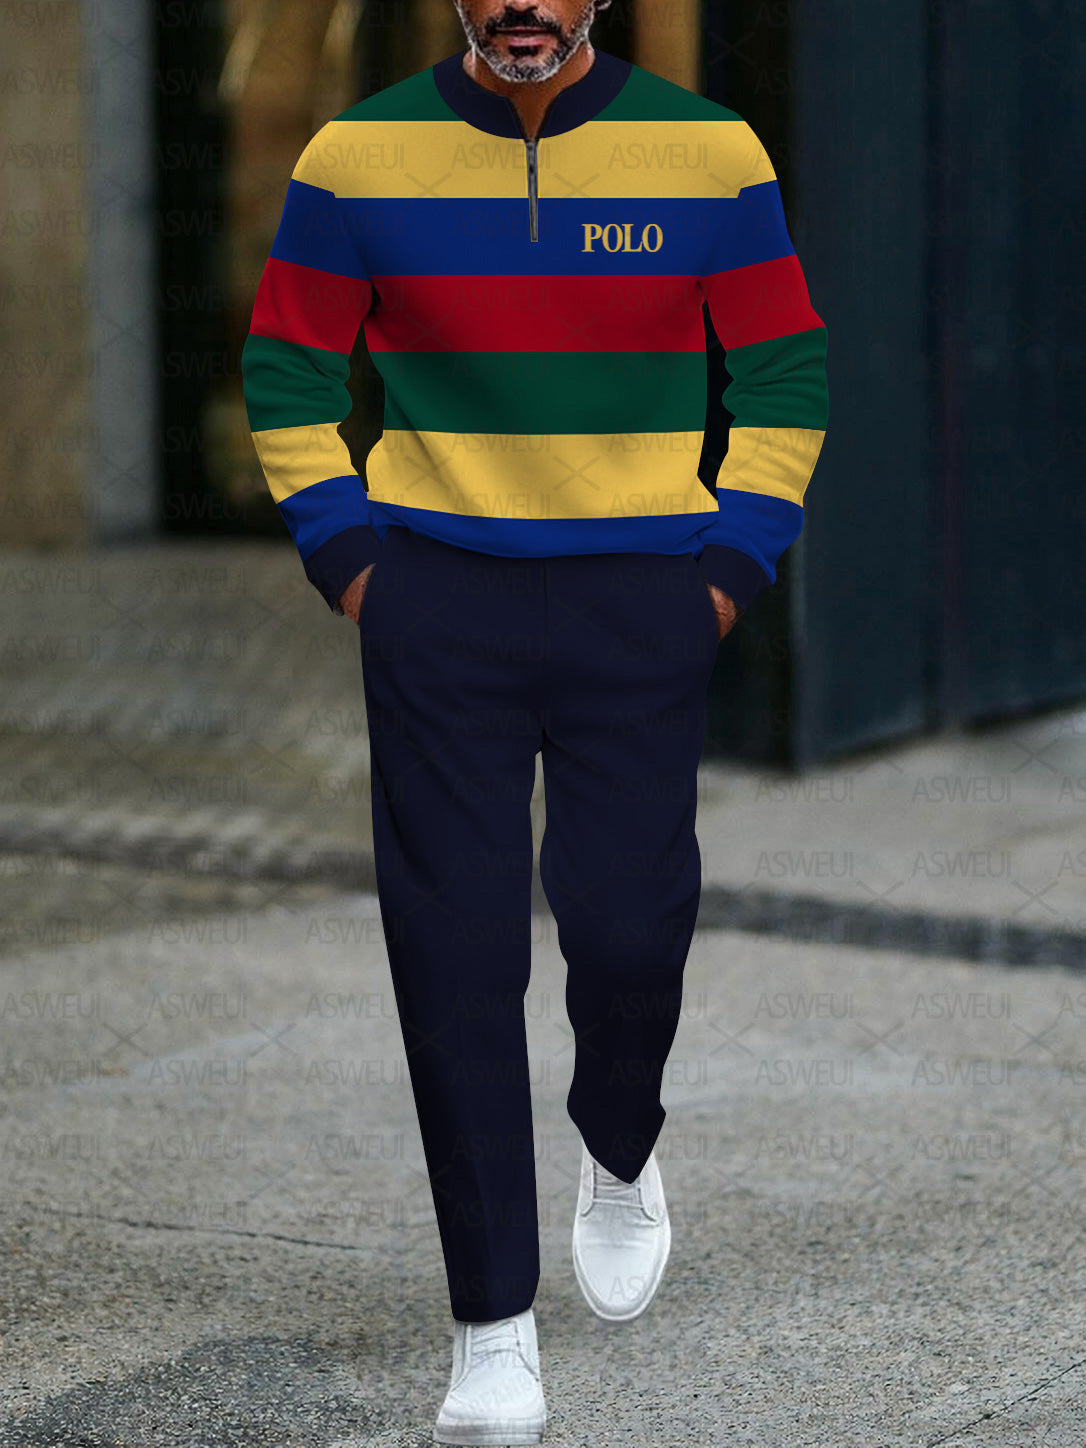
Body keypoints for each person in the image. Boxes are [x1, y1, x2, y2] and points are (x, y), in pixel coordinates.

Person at [241, 1, 828, 1440]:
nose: (523, 2)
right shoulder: (354, 156)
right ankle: (490, 1324)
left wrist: (727, 572)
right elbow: (288, 371)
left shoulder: (710, 152)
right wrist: (354, 565)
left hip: (644, 597)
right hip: (437, 600)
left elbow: (784, 372)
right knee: (451, 958)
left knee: (628, 929)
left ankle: (618, 1141)